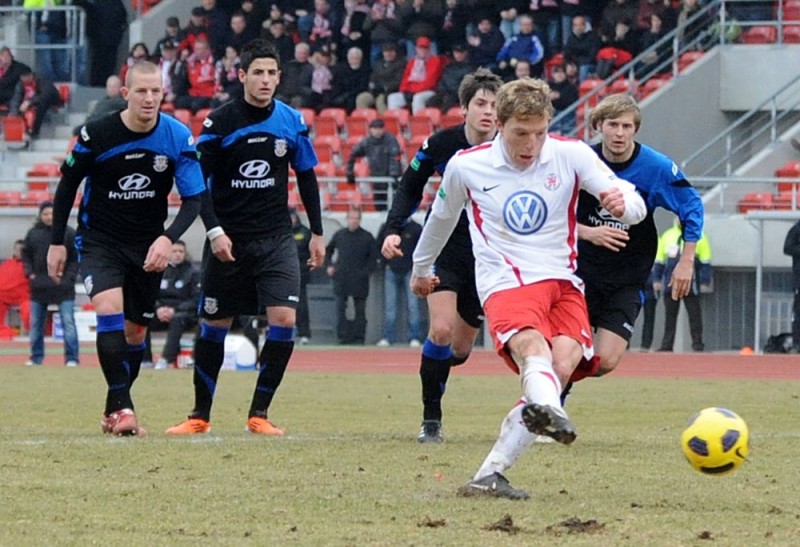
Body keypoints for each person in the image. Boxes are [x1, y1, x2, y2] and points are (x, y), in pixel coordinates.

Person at [411, 77, 646, 499]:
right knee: (532, 351)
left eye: (539, 132)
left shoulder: (570, 154)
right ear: (499, 124)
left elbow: (631, 199)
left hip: (563, 281)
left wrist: (622, 206)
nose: (531, 144)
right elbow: (440, 221)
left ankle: (489, 474)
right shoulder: (467, 165)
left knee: (563, 362)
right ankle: (551, 411)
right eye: (521, 133)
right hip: (507, 281)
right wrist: (420, 269)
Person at [165, 39, 326, 436]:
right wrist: (215, 230)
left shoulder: (291, 121)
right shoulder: (219, 123)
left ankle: (260, 413)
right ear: (242, 76)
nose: (266, 80)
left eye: (272, 73)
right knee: (214, 325)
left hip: (276, 239)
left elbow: (306, 176)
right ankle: (199, 415)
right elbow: (195, 184)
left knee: (284, 319)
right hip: (229, 241)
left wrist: (318, 231)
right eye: (258, 72)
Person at [47, 61, 206, 435]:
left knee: (136, 334)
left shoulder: (177, 136)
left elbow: (195, 200)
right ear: (125, 94)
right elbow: (67, 187)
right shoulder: (96, 134)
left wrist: (168, 238)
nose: (149, 98)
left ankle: (113, 407)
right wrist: (57, 241)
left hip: (148, 245)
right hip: (99, 240)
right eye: (141, 91)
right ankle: (124, 408)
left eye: (155, 91)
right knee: (108, 309)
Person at [381, 68, 502, 444]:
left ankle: (431, 371)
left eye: (495, 105)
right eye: (480, 103)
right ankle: (430, 420)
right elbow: (409, 186)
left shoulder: (511, 148)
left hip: (486, 256)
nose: (488, 111)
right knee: (441, 329)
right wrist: (392, 228)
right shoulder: (441, 144)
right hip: (444, 250)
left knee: (460, 350)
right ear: (464, 108)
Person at [571, 93, 704, 385]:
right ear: (598, 125)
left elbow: (691, 205)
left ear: (635, 129)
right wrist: (587, 232)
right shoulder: (580, 160)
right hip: (579, 275)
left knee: (605, 360)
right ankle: (549, 403)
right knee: (566, 349)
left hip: (628, 279)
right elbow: (552, 213)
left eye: (627, 126)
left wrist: (686, 260)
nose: (619, 133)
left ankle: (553, 381)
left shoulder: (654, 167)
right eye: (613, 125)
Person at [24, 201, 79, 367]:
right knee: (36, 325)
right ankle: (36, 357)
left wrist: (68, 278)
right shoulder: (33, 234)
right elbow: (26, 256)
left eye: (52, 213)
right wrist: (30, 274)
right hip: (39, 287)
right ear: (40, 215)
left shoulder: (69, 233)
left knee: (68, 323)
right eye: (45, 214)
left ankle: (72, 358)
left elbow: (75, 259)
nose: (49, 217)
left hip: (64, 287)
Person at [653, 221, 712, 352]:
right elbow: (660, 261)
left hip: (691, 283)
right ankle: (667, 345)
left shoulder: (699, 236)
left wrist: (704, 281)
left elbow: (706, 261)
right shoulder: (667, 235)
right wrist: (656, 279)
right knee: (670, 316)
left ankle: (697, 344)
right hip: (671, 283)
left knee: (695, 315)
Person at [143, 240, 201, 369]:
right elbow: (149, 294)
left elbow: (196, 298)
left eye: (181, 251)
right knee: (142, 318)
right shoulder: (158, 270)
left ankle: (165, 359)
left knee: (177, 320)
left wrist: (175, 310)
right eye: (174, 251)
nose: (178, 255)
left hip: (184, 313)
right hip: (160, 311)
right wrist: (158, 308)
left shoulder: (193, 271)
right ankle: (145, 360)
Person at [326, 207, 378, 344]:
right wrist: (330, 266)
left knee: (360, 311)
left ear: (360, 220)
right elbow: (328, 251)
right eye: (351, 218)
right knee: (340, 309)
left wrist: (365, 273)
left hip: (360, 280)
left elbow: (374, 259)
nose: (353, 221)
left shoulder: (367, 237)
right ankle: (342, 337)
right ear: (347, 219)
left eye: (356, 218)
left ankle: (359, 338)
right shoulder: (340, 235)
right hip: (341, 277)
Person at [376, 219, 423, 348]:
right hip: (391, 270)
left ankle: (415, 336)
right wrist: (383, 264)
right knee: (390, 306)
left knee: (413, 306)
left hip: (410, 271)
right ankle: (387, 336)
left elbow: (422, 248)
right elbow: (379, 246)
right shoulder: (387, 226)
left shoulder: (416, 228)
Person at [346, 118, 402, 211]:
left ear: (383, 129)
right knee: (379, 204)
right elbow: (352, 155)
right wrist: (350, 172)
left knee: (395, 203)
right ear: (370, 129)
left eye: (380, 128)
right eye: (375, 128)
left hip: (391, 178)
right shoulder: (366, 142)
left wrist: (394, 175)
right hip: (376, 177)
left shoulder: (390, 140)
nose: (378, 131)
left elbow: (395, 157)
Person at [387, 36, 444, 114]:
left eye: (425, 48)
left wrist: (413, 90)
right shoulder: (412, 62)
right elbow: (405, 80)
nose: (423, 50)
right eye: (420, 48)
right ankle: (397, 124)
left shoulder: (435, 61)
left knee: (418, 98)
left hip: (430, 91)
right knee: (393, 98)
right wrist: (406, 90)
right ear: (416, 49)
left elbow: (430, 83)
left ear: (429, 49)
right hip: (411, 91)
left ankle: (418, 124)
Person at [9, 68, 61, 138]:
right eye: (22, 77)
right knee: (15, 110)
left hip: (47, 103)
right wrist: (14, 112)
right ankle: (21, 132)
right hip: (29, 104)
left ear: (31, 75)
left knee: (41, 105)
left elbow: (46, 95)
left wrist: (30, 102)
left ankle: (34, 131)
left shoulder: (43, 81)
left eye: (26, 76)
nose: (24, 79)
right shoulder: (21, 84)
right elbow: (16, 98)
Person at [290, 208, 313, 345]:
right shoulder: (283, 232)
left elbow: (311, 252)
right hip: (283, 275)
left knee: (302, 306)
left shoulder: (305, 232)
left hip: (300, 275)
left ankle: (304, 333)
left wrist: (305, 268)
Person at [0, 240, 30, 336]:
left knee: (30, 311)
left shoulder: (30, 265)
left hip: (24, 298)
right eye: (17, 250)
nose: (19, 253)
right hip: (3, 297)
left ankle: (32, 335)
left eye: (22, 250)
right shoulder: (6, 264)